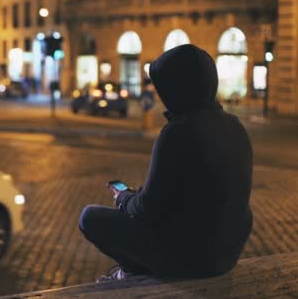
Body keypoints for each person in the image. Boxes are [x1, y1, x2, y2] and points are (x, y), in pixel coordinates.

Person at [79, 44, 253, 281]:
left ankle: (131, 271)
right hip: (226, 255)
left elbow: (147, 209)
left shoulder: (177, 132)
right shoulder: (235, 126)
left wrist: (124, 198)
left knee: (89, 217)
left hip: (189, 259)